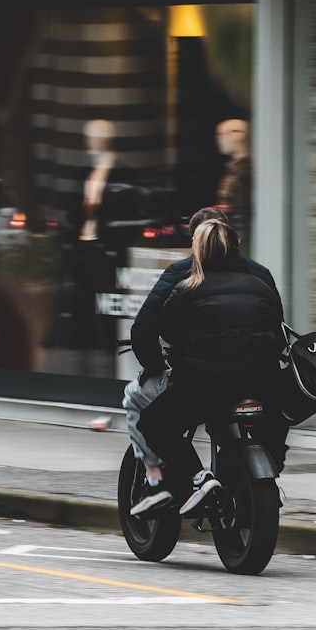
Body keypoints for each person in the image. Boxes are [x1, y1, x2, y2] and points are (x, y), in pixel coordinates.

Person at [124, 206, 286, 511]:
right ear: (233, 239)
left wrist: (157, 366)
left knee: (155, 423)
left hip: (205, 382)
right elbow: (276, 328)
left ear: (196, 241)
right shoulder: (260, 275)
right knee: (271, 418)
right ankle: (267, 478)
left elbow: (149, 329)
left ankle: (198, 478)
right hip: (262, 381)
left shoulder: (185, 277)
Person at [214, 119, 252, 249]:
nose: (219, 139)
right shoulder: (234, 171)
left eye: (222, 135)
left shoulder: (243, 173)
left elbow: (242, 218)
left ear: (237, 135)